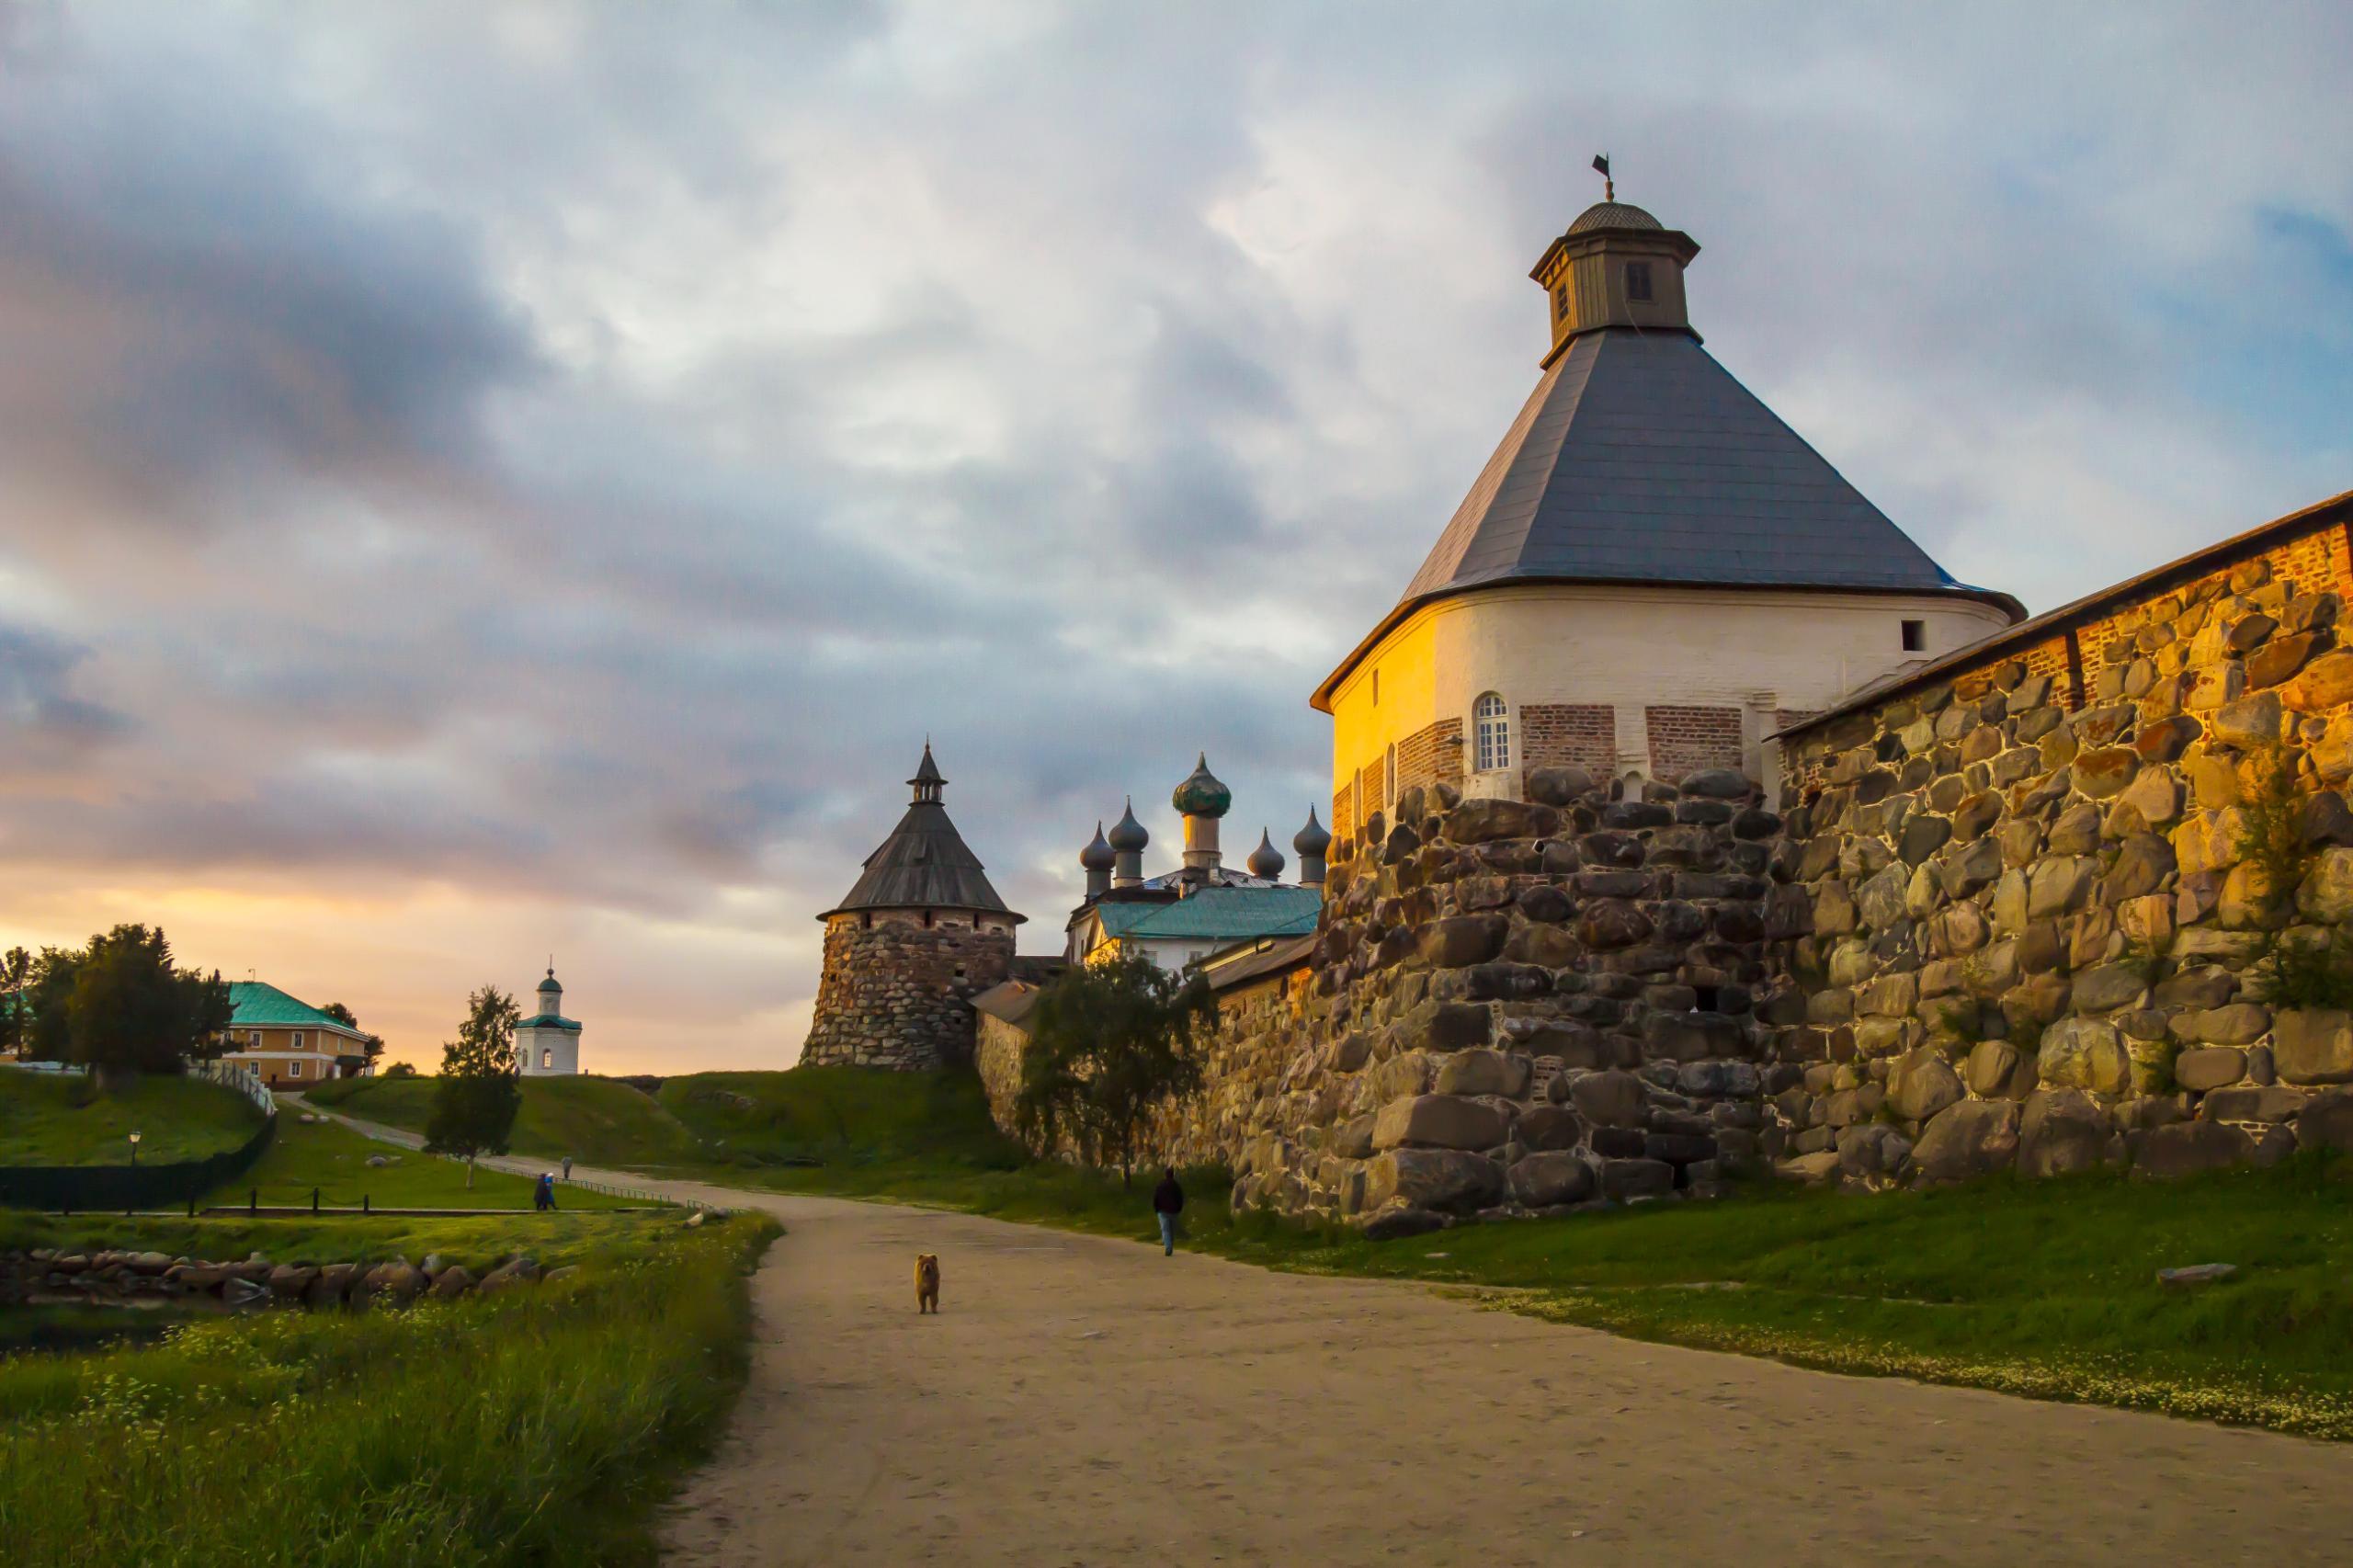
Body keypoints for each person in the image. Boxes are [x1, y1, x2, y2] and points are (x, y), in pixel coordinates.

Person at [1151, 1166, 1184, 1256]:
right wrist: (1179, 1208)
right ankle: (1170, 1245)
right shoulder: (1176, 1185)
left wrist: (1156, 1208)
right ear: (1173, 1174)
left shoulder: (1160, 1185)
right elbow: (1180, 1198)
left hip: (1162, 1211)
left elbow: (1156, 1198)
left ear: (1165, 1174)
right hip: (1174, 1210)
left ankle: (1168, 1247)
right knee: (1171, 1229)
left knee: (1165, 1230)